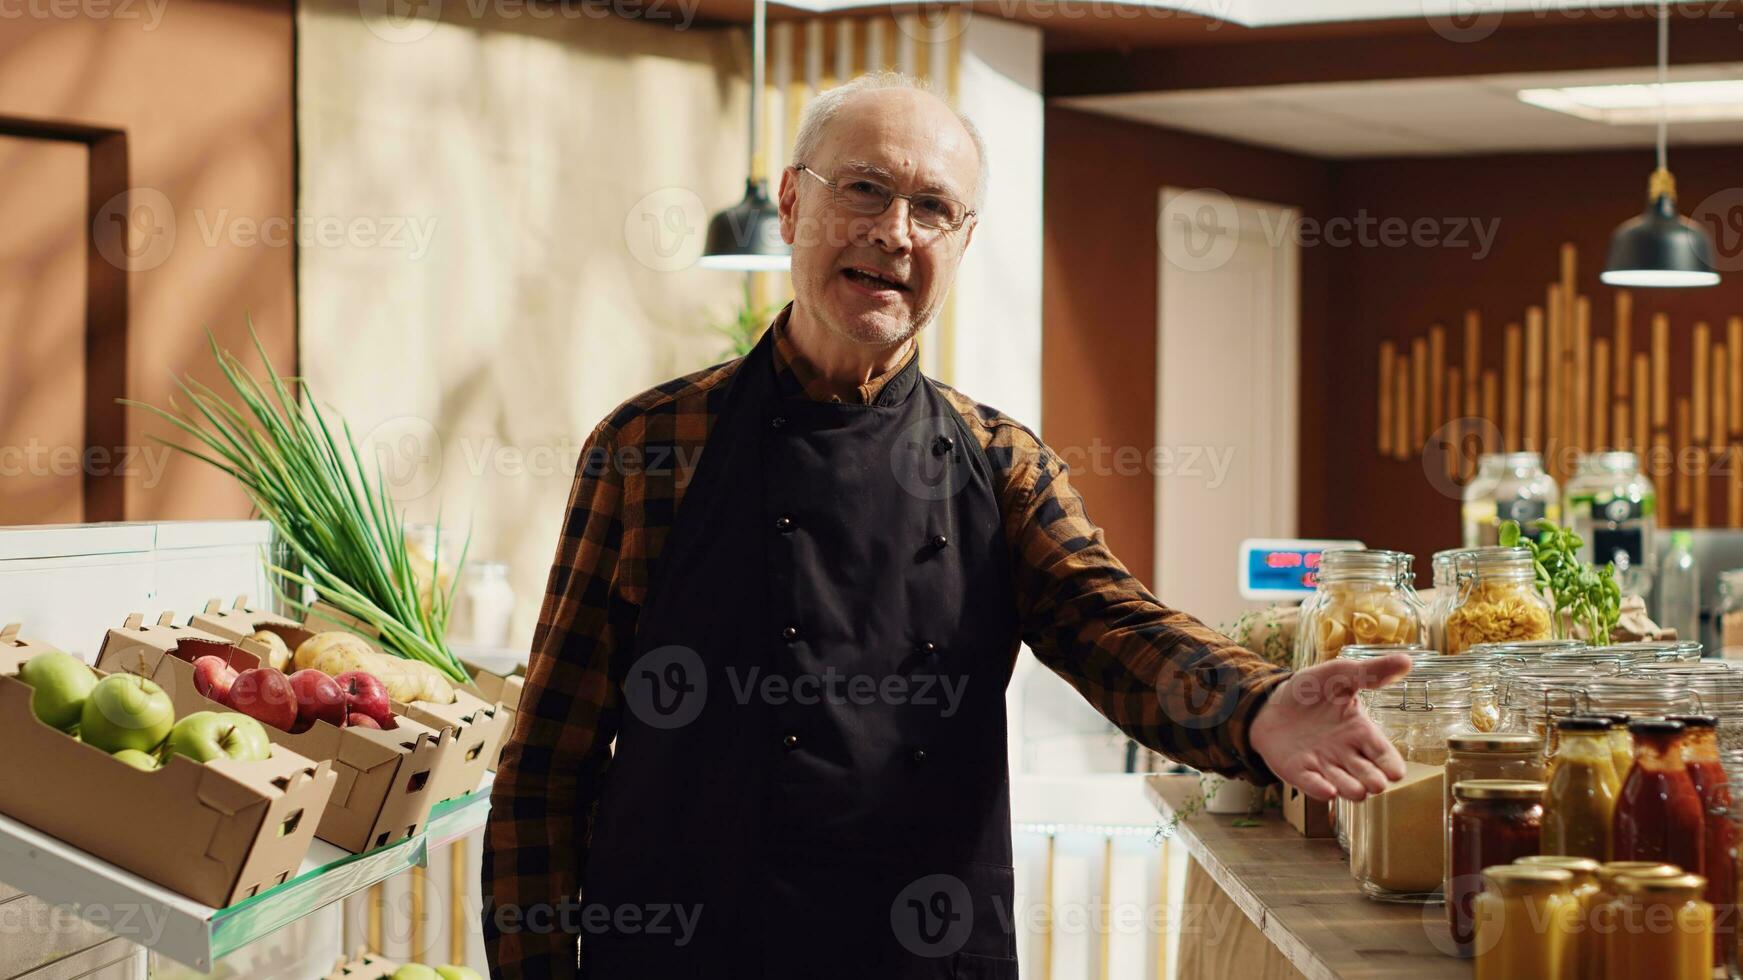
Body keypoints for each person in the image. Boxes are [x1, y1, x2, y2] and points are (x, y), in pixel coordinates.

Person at [483, 71, 1411, 980]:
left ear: (961, 244)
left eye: (932, 208)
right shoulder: (652, 444)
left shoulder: (998, 462)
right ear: (793, 204)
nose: (894, 232)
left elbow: (1111, 626)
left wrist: (1250, 707)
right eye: (864, 189)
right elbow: (551, 752)